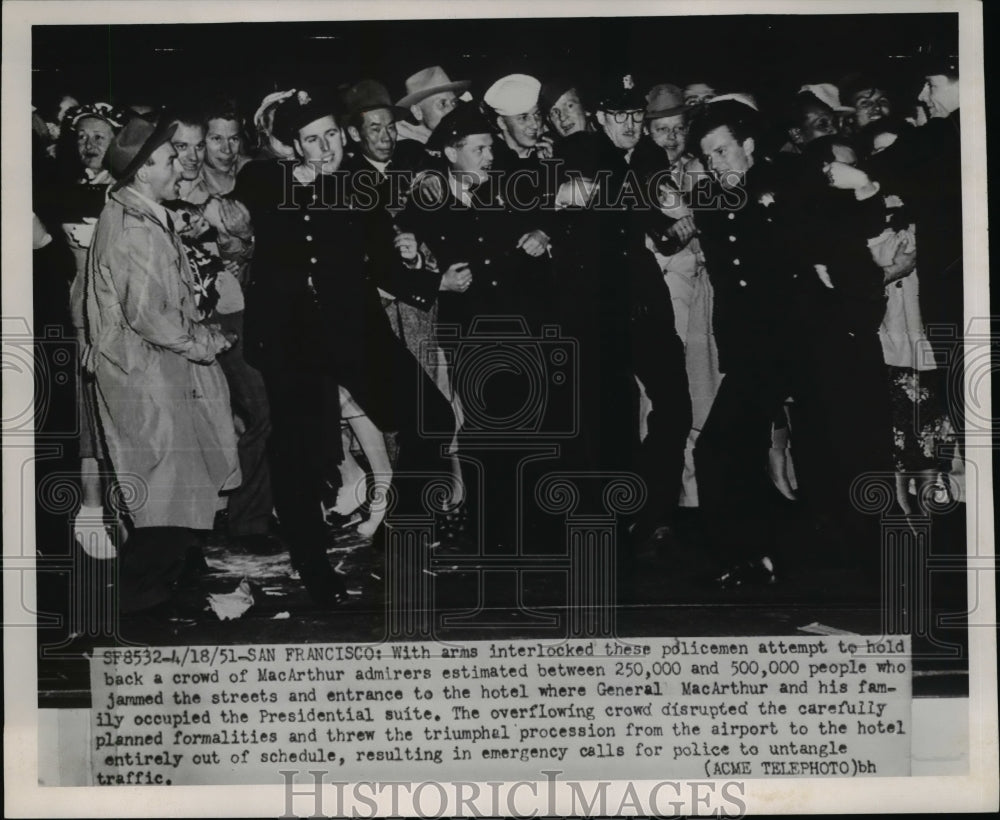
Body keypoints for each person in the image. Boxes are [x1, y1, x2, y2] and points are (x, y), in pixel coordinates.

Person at [235, 93, 455, 606]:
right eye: (312, 139)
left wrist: (430, 279)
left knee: (434, 419)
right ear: (293, 146)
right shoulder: (269, 181)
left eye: (332, 134)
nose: (326, 147)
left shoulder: (362, 187)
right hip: (294, 339)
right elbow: (253, 186)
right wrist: (296, 175)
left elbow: (381, 265)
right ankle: (314, 567)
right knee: (300, 454)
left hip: (357, 329)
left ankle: (399, 535)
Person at [83, 114, 241, 617]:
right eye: (171, 158)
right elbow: (151, 316)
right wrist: (205, 342)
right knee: (165, 496)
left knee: (177, 487)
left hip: (156, 374)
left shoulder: (138, 212)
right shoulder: (137, 230)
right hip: (151, 377)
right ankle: (134, 613)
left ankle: (171, 590)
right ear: (144, 170)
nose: (181, 165)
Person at [688, 100, 801, 587]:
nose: (717, 164)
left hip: (785, 344)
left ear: (748, 146)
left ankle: (743, 554)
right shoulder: (712, 204)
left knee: (716, 448)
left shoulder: (782, 188)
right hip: (749, 349)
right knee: (738, 449)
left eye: (723, 151)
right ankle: (757, 556)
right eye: (709, 157)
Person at [168, 112, 276, 553]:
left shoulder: (242, 184)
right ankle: (191, 532)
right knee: (197, 423)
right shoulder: (165, 191)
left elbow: (250, 247)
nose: (196, 154)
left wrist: (242, 244)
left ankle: (249, 520)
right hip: (186, 323)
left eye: (205, 143)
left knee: (259, 410)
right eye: (188, 145)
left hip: (236, 315)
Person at [48, 102, 130, 559]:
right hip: (80, 315)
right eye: (82, 136)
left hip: (122, 318)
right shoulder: (58, 191)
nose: (90, 146)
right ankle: (90, 510)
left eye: (100, 137)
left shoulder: (125, 192)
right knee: (86, 416)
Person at [393, 65, 471, 171]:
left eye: (454, 102)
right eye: (442, 104)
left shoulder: (451, 138)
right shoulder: (403, 153)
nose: (452, 110)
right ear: (418, 112)